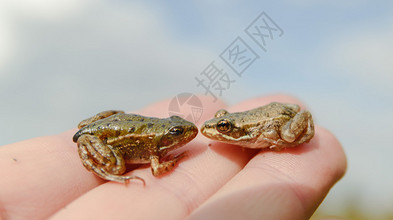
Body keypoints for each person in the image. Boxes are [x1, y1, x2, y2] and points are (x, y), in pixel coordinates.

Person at [0, 94, 347, 220]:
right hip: (103, 135)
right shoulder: (156, 147)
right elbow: (159, 166)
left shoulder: (254, 131)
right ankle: (111, 171)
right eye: (179, 133)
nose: (197, 132)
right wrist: (168, 162)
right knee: (117, 164)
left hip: (104, 124)